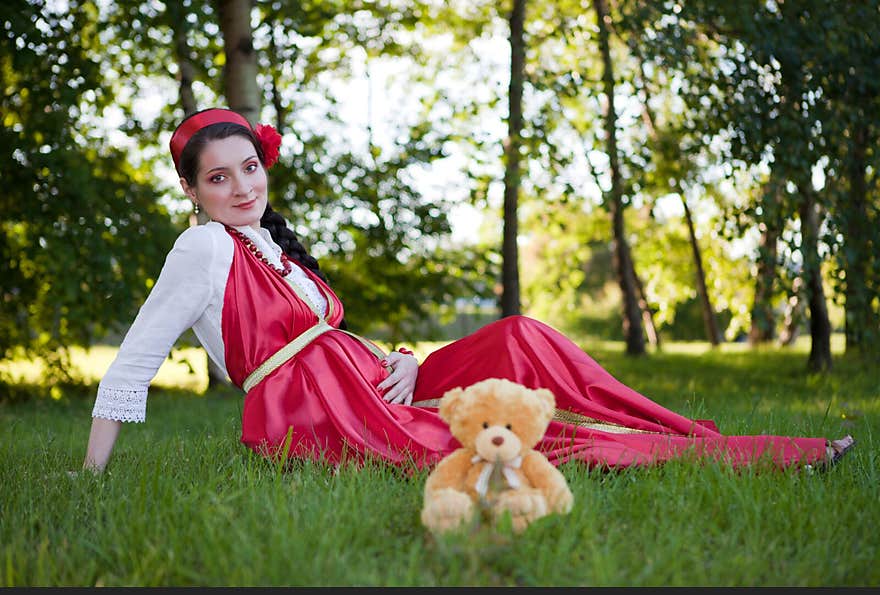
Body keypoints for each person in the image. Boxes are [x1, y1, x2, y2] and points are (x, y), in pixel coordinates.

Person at [83, 108, 855, 474]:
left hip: (370, 383)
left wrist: (409, 361)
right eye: (218, 177)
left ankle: (689, 430)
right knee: (513, 436)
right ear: (193, 188)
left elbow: (335, 337)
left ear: (264, 166)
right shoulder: (201, 248)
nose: (240, 185)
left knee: (519, 334)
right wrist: (91, 479)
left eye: (248, 168)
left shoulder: (269, 240)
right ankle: (775, 455)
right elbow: (135, 358)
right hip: (314, 415)